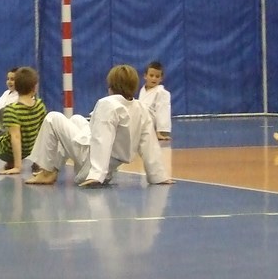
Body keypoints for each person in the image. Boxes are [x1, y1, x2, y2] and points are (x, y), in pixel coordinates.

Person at [26, 64, 173, 187]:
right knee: (77, 119)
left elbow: (102, 140)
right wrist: (158, 176)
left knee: (53, 118)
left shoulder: (108, 104)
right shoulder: (141, 108)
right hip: (106, 167)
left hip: (91, 165)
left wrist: (96, 175)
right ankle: (54, 168)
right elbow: (149, 144)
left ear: (111, 86)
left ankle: (47, 172)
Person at [139, 60, 172, 140]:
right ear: (145, 76)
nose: (154, 78)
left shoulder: (162, 92)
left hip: (151, 123)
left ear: (161, 79)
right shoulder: (143, 90)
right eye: (151, 75)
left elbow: (163, 112)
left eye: (157, 76)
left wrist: (160, 131)